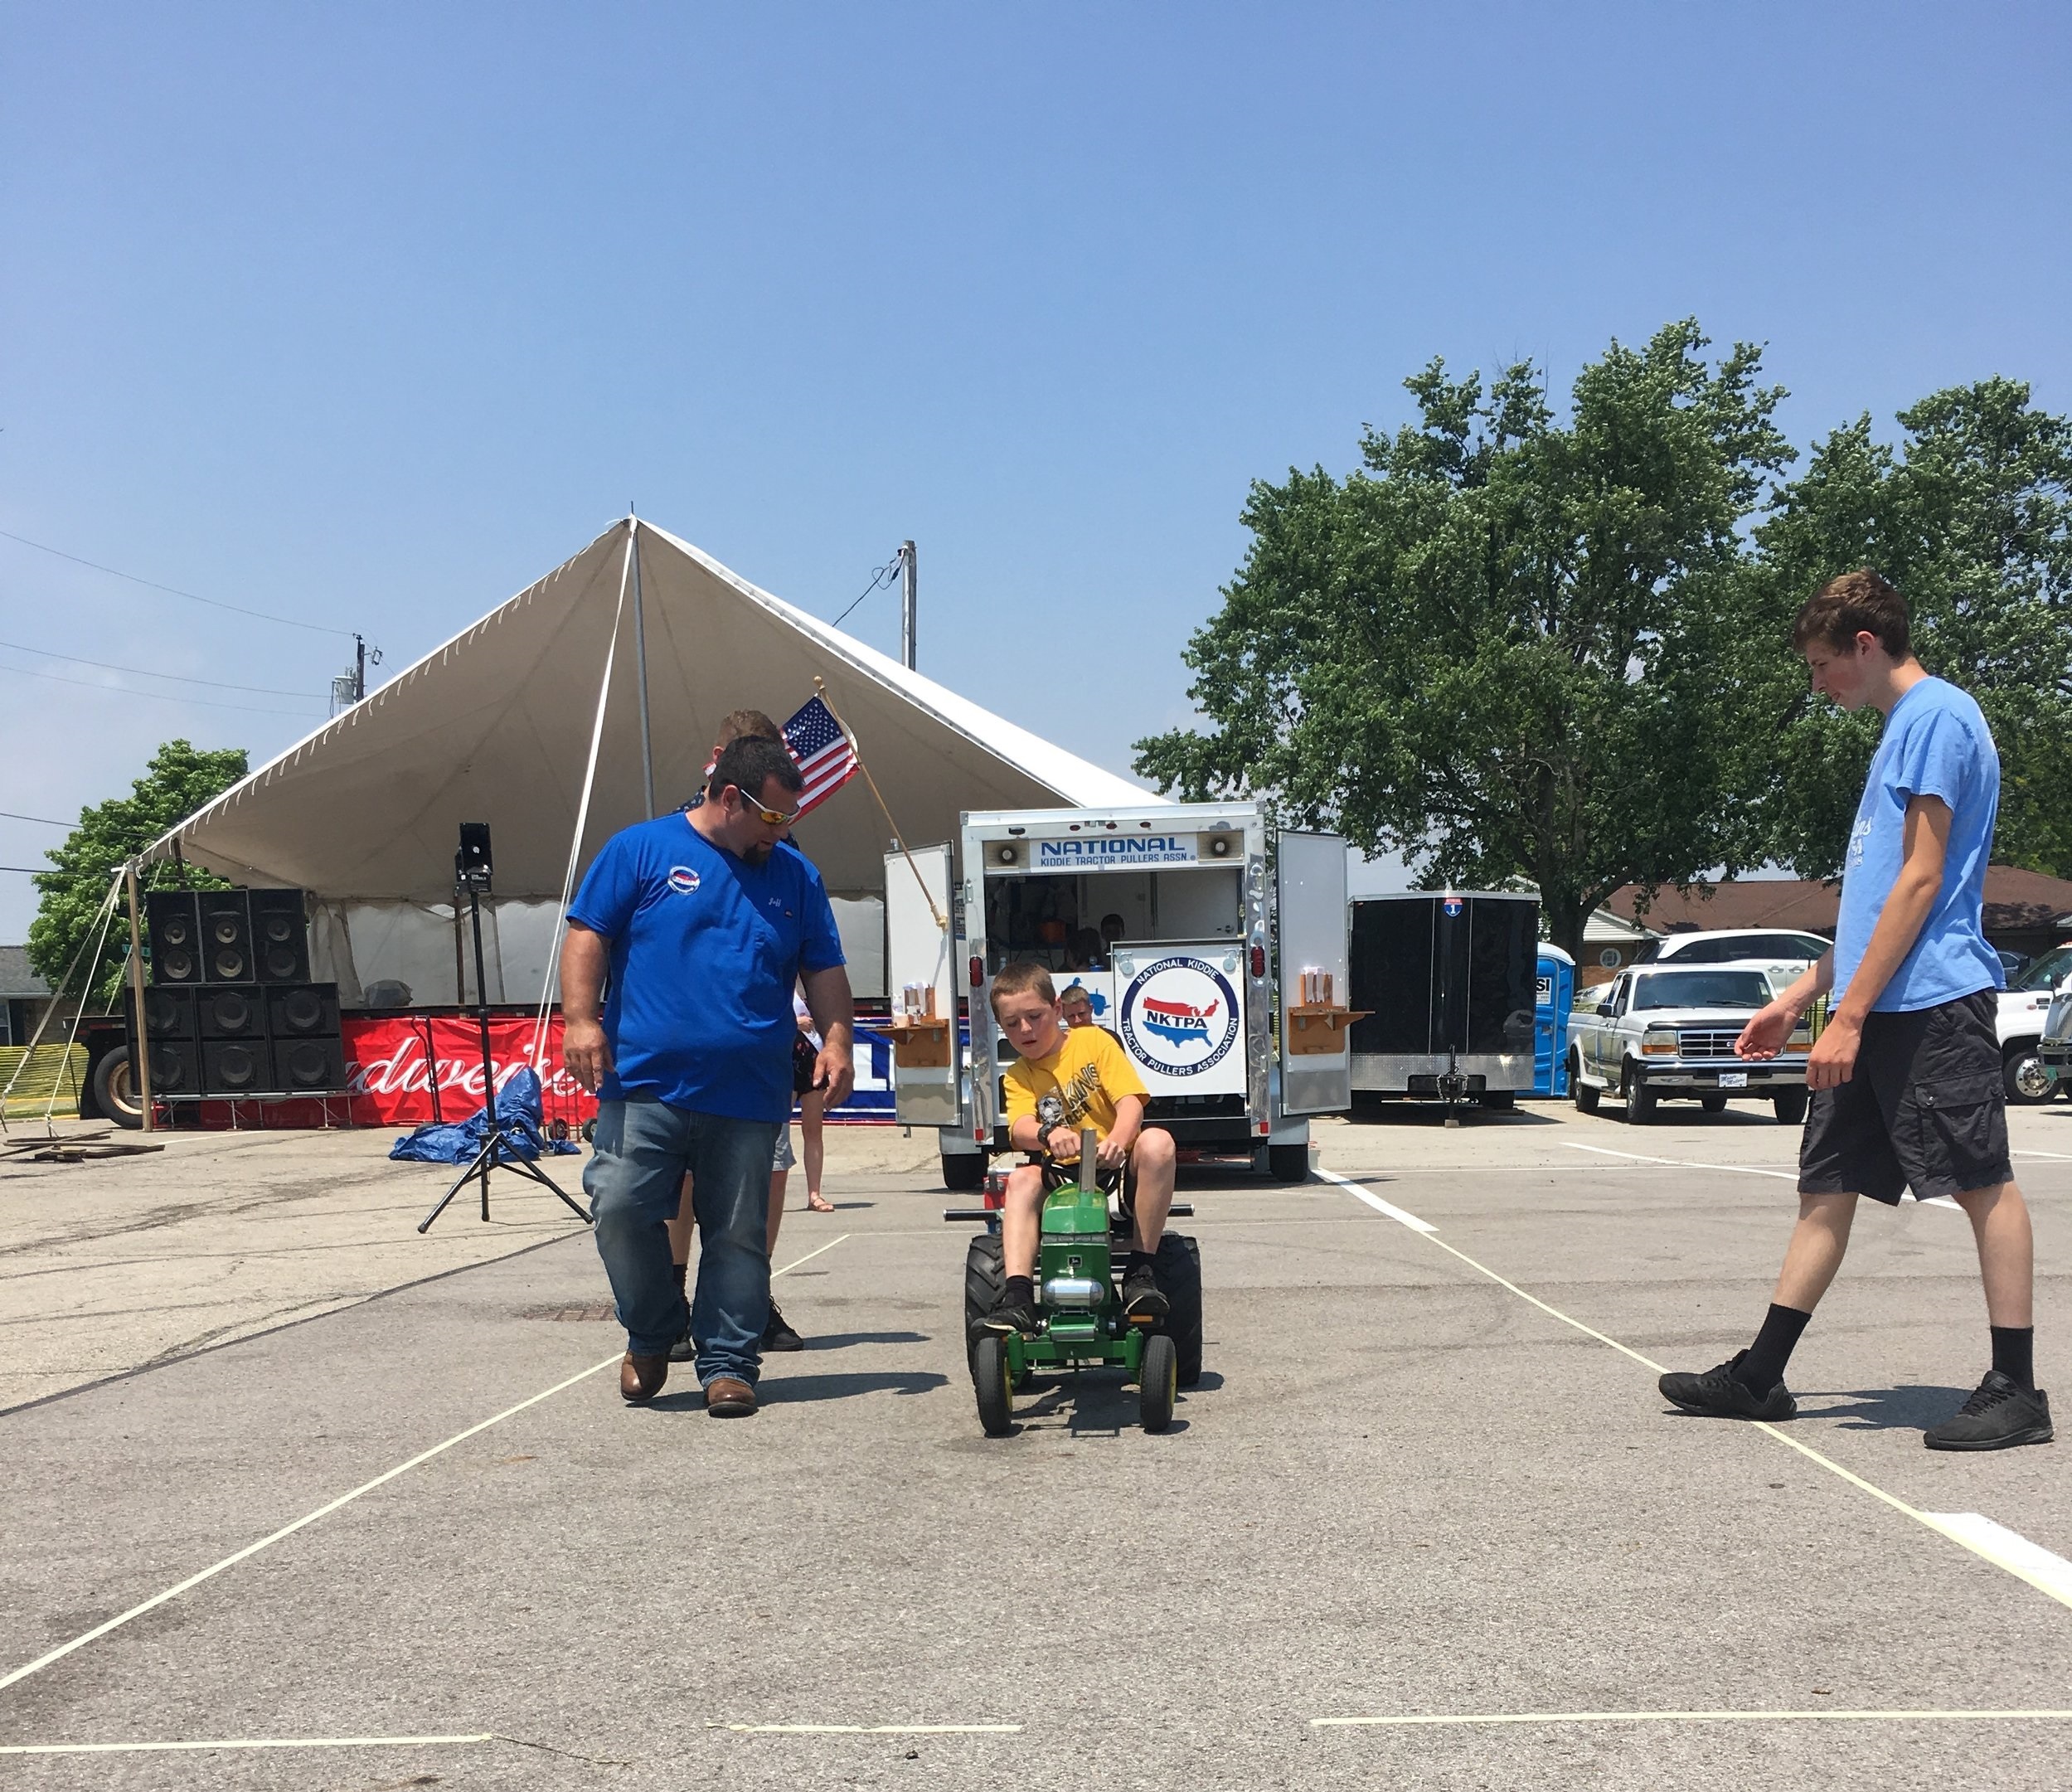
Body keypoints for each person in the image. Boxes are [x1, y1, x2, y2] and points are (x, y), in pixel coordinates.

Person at [1659, 571, 2050, 1450]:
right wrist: (1803, 997)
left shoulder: (1939, 717)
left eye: (1823, 665)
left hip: (1930, 998)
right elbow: (1878, 901)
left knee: (1981, 1180)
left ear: (1865, 647)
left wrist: (1851, 1014)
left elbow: (1922, 881)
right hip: (1872, 1003)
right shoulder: (1897, 737)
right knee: (1826, 1184)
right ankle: (1761, 1375)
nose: (1818, 684)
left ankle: (2017, 1389)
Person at [563, 734, 854, 1417]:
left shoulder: (794, 875)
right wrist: (580, 1019)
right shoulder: (639, 850)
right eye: (775, 816)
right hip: (643, 1082)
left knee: (737, 1232)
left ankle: (728, 1363)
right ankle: (654, 1328)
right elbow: (587, 934)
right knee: (619, 1205)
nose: (783, 831)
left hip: (748, 1092)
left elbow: (824, 967)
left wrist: (836, 1037)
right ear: (730, 797)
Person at [660, 708, 813, 1359]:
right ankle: (670, 1300)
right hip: (683, 1049)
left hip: (759, 1045)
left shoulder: (784, 850)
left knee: (768, 1171)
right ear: (721, 759)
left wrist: (820, 1027)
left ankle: (751, 1296)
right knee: (683, 1182)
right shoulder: (673, 835)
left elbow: (804, 936)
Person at [978, 959, 1177, 1336]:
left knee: (1158, 1143)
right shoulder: (1020, 1074)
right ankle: (1018, 1296)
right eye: (1012, 1023)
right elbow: (1019, 1127)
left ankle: (1141, 1272)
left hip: (1115, 1168)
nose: (1025, 1030)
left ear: (1056, 1010)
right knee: (1021, 1180)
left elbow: (1131, 1102)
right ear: (1001, 1026)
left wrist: (1118, 1140)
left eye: (1035, 1016)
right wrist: (1047, 1134)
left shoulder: (1094, 1042)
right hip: (1062, 1171)